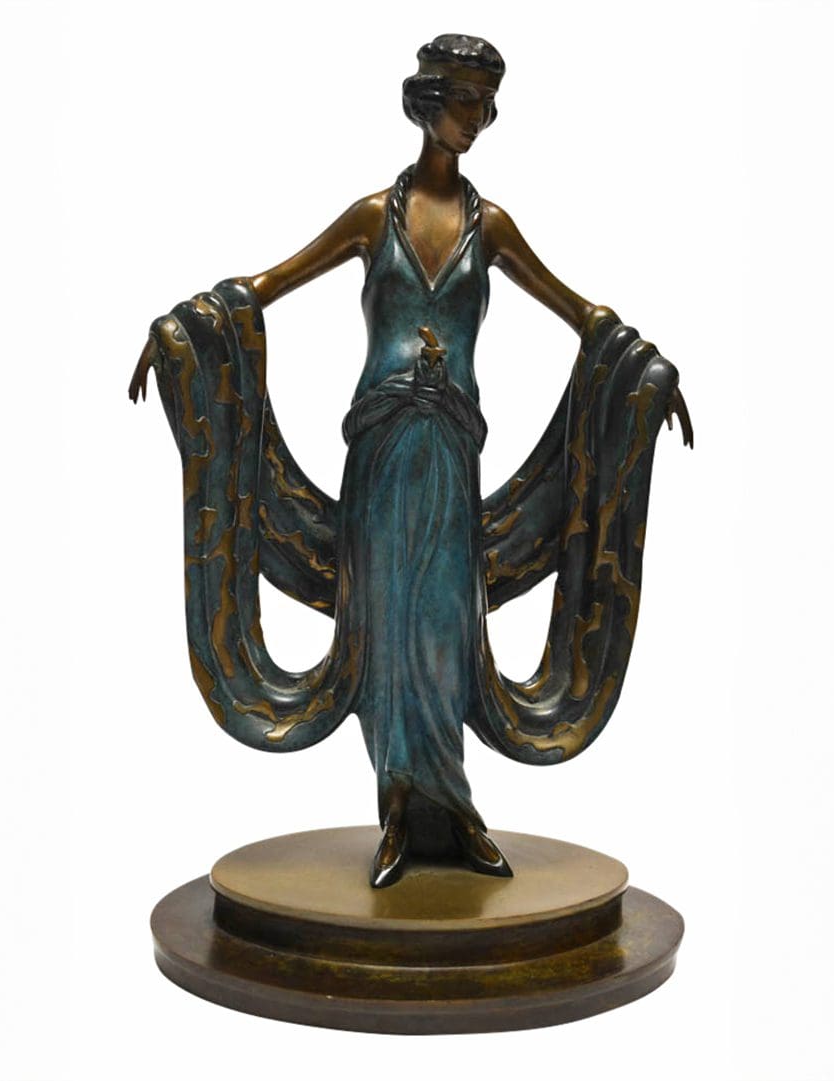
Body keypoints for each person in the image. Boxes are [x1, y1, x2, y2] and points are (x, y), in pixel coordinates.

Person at [130, 34, 692, 889]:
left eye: (488, 103)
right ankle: (399, 807)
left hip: (450, 451)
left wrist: (644, 375)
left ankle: (452, 807)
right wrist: (184, 333)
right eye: (466, 100)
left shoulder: (490, 226)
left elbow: (584, 314)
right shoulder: (372, 217)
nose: (480, 118)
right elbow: (262, 288)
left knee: (443, 621)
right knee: (386, 624)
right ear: (429, 102)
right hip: (382, 451)